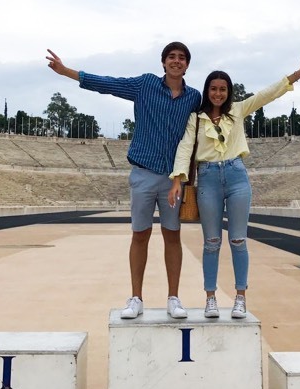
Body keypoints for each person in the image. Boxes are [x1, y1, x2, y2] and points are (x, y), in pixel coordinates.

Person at [46, 43, 200, 319]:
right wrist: (66, 72)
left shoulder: (194, 97)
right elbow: (108, 84)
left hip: (173, 178)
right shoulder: (145, 85)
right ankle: (136, 298)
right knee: (140, 234)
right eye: (171, 57)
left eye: (182, 58)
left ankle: (173, 298)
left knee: (172, 236)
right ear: (163, 62)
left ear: (187, 65)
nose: (176, 62)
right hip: (142, 173)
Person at [168, 57, 300, 319]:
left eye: (223, 89)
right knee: (211, 242)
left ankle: (240, 297)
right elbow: (186, 147)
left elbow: (266, 95)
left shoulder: (239, 110)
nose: (218, 93)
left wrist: (294, 77)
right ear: (207, 91)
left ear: (228, 91)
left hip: (236, 176)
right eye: (213, 89)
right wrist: (178, 179)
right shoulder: (196, 119)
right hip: (208, 178)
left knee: (238, 240)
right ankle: (210, 297)